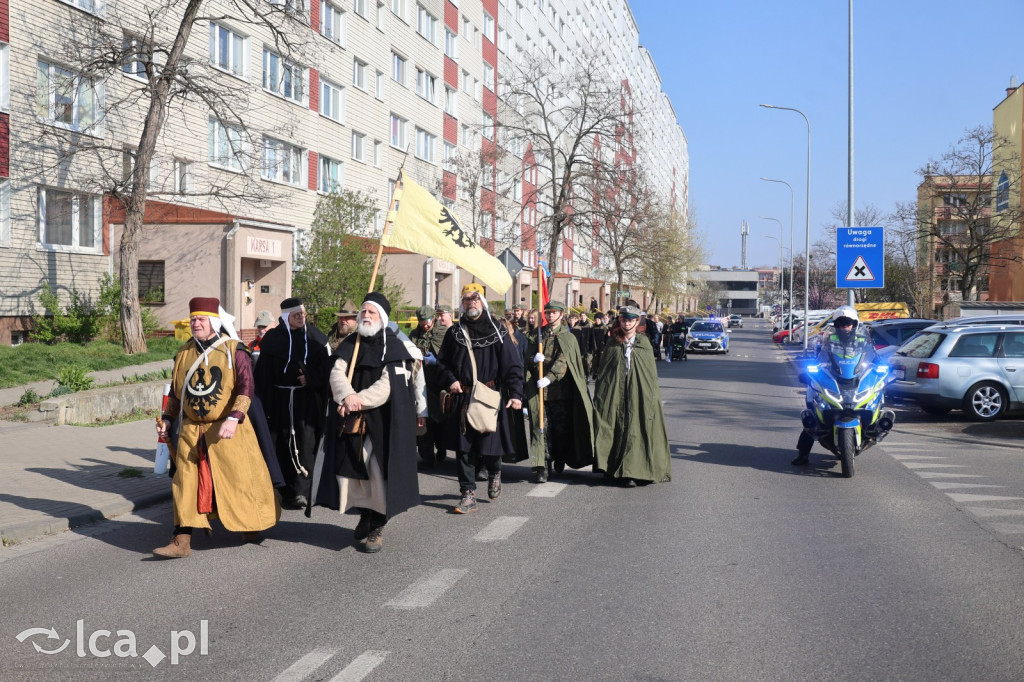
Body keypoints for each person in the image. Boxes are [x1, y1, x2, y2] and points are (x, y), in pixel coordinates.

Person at [153, 297, 279, 558]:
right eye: (193, 320)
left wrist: (234, 418)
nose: (195, 324)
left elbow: (246, 387)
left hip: (228, 429)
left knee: (238, 481)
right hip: (191, 431)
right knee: (184, 483)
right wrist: (168, 419)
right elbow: (177, 394)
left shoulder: (235, 350)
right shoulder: (184, 353)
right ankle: (181, 541)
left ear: (213, 321)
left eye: (200, 319)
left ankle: (251, 524)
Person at [308, 293, 423, 553]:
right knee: (353, 470)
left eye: (371, 312)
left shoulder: (394, 347)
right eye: (363, 312)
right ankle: (364, 514)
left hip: (382, 420)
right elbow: (337, 372)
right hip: (351, 419)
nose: (366, 316)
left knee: (377, 473)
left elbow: (387, 386)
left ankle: (377, 525)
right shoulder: (351, 343)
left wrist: (357, 400)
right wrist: (346, 396)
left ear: (381, 318)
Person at [435, 283, 524, 514]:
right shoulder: (455, 332)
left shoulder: (497, 330)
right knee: (464, 449)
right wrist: (451, 380)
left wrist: (515, 393)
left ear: (482, 302)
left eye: (475, 298)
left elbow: (512, 364)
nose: (471, 302)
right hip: (463, 396)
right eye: (466, 299)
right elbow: (442, 363)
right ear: (462, 304)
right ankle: (467, 492)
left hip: (489, 396)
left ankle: (495, 471)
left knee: (489, 445)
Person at [253, 297, 330, 509]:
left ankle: (303, 492)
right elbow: (262, 375)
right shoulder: (273, 339)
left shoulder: (315, 338)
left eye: (303, 314)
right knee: (280, 444)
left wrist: (311, 379)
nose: (301, 318)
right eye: (296, 315)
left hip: (306, 402)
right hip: (279, 401)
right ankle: (284, 491)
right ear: (286, 317)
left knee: (305, 444)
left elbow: (327, 371)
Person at [592, 305, 672, 487]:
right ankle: (611, 468)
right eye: (623, 320)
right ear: (619, 321)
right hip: (615, 393)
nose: (627, 323)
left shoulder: (643, 344)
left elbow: (649, 376)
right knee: (614, 426)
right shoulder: (613, 343)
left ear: (637, 322)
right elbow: (604, 373)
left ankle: (633, 471)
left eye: (630, 320)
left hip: (638, 393)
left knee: (635, 429)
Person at [525, 300, 595, 483]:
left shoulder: (568, 337)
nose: (550, 316)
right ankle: (543, 465)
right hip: (541, 394)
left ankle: (560, 456)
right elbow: (525, 359)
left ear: (561, 315)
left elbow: (564, 361)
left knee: (561, 430)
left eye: (554, 313)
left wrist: (550, 377)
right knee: (542, 429)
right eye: (547, 313)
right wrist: (533, 359)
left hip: (561, 393)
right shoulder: (537, 335)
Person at [792, 305, 871, 466]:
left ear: (854, 323)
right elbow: (820, 355)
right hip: (834, 378)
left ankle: (872, 430)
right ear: (836, 325)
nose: (844, 326)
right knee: (813, 415)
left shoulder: (863, 339)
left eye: (848, 322)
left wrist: (878, 365)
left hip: (854, 378)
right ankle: (803, 454)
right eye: (841, 323)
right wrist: (812, 367)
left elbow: (872, 354)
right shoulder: (829, 338)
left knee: (873, 399)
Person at [410, 305, 446, 464]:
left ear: (434, 318)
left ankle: (442, 449)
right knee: (424, 420)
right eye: (422, 322)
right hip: (422, 383)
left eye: (427, 322)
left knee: (441, 421)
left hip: (440, 382)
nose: (425, 325)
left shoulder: (444, 333)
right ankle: (427, 457)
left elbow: (451, 356)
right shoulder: (414, 334)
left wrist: (437, 361)